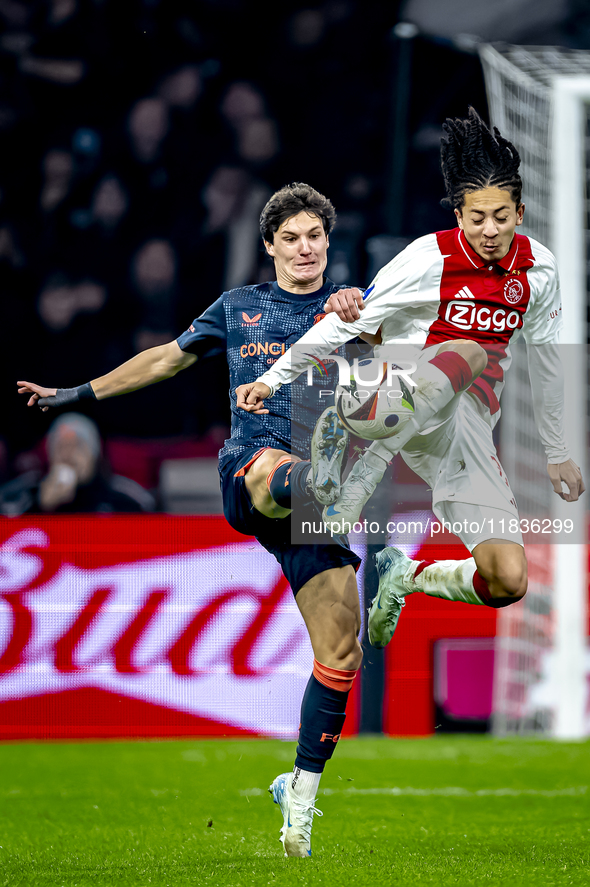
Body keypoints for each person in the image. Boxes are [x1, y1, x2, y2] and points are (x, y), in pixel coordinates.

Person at [17, 183, 367, 859]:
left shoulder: (354, 309)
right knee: (286, 469)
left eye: (314, 236)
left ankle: (296, 791)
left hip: (314, 504)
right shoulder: (240, 308)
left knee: (341, 652)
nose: (303, 247)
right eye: (289, 236)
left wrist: (365, 314)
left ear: (328, 242)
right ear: (268, 246)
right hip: (255, 470)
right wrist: (75, 393)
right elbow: (164, 359)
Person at [236, 109, 585, 649]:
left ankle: (406, 576)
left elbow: (547, 362)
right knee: (469, 349)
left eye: (500, 216)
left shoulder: (539, 269)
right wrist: (274, 379)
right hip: (386, 388)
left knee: (506, 579)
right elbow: (347, 323)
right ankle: (355, 479)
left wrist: (558, 450)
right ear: (459, 215)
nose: (489, 230)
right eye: (476, 218)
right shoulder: (428, 256)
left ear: (519, 211)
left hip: (461, 427)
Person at [0, 412, 154, 515]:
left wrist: (83, 497)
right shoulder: (26, 493)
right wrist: (42, 508)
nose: (68, 454)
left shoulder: (123, 497)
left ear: (94, 455)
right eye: (61, 446)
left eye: (78, 445)